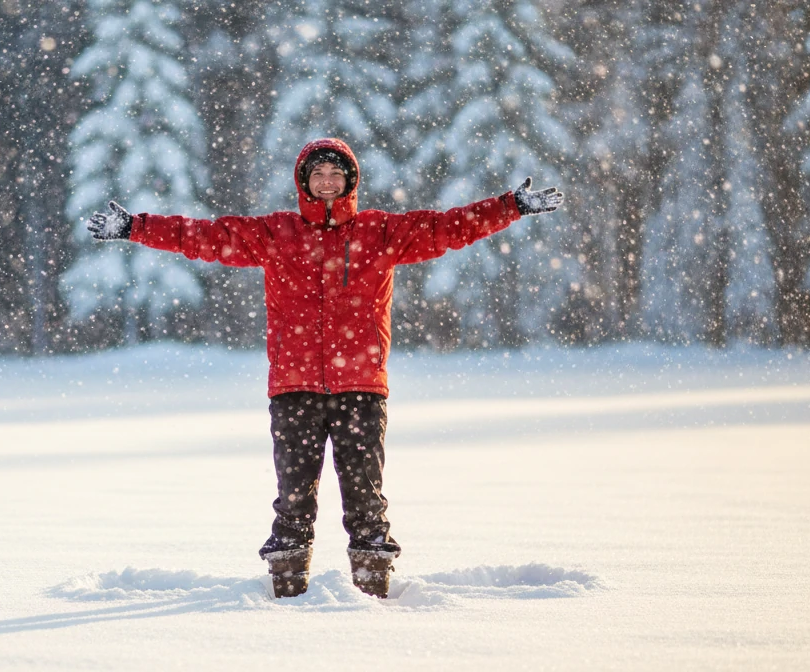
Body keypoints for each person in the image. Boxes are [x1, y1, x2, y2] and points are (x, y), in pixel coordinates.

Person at [85, 138, 563, 598]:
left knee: (366, 501)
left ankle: (371, 591)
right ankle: (288, 591)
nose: (328, 182)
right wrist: (136, 227)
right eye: (319, 174)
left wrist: (511, 206)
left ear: (351, 180)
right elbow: (207, 237)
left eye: (337, 174)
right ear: (304, 181)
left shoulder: (381, 232)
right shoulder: (277, 233)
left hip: (361, 386)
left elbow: (449, 227)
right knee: (293, 500)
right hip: (294, 388)